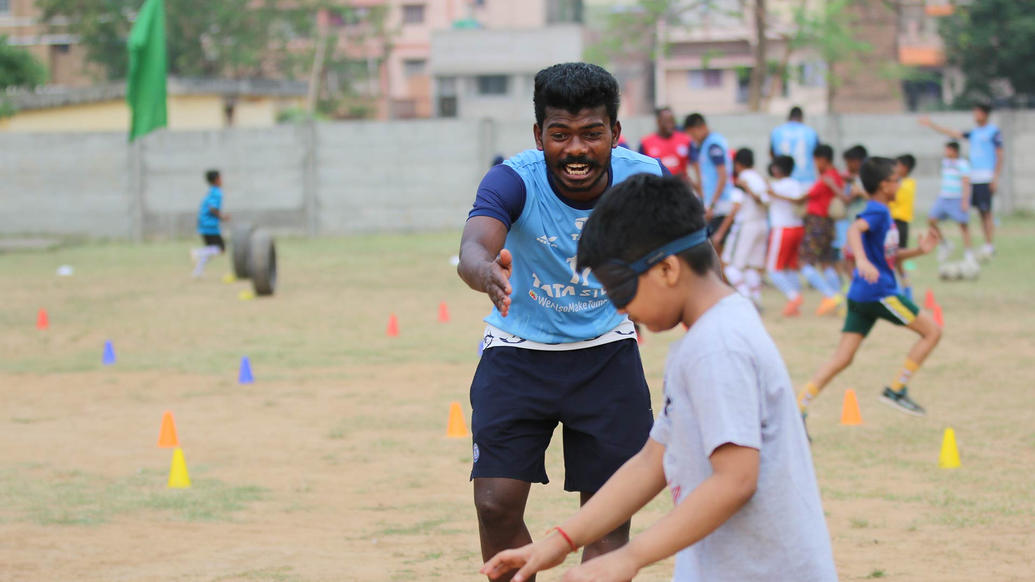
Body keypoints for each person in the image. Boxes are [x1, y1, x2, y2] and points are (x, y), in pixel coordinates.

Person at [480, 174, 838, 582]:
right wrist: (558, 541)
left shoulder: (718, 345)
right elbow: (652, 461)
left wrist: (628, 557)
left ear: (667, 269)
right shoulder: (706, 336)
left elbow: (736, 480)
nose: (618, 307)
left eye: (619, 287)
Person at [457, 62, 667, 581]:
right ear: (538, 136)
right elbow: (472, 248)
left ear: (615, 134)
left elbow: (693, 253)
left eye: (592, 134)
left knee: (607, 521)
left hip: (607, 353)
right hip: (516, 352)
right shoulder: (512, 180)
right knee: (495, 505)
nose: (576, 150)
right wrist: (487, 272)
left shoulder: (644, 180)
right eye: (561, 135)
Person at [798, 157, 942, 421]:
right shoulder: (878, 211)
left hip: (860, 294)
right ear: (884, 185)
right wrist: (862, 260)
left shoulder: (882, 212)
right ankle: (896, 390)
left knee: (842, 358)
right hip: (879, 293)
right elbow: (854, 229)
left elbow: (888, 254)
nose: (900, 184)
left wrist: (920, 251)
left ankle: (800, 404)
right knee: (932, 332)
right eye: (896, 180)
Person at [919, 103, 1003, 259]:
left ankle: (988, 246)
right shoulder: (974, 133)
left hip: (986, 177)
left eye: (977, 112)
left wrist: (995, 177)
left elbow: (1000, 155)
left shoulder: (993, 132)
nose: (975, 115)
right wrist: (931, 125)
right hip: (974, 177)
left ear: (985, 114)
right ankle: (973, 247)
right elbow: (953, 133)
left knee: (986, 212)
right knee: (973, 214)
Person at [712, 148, 769, 307]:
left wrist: (721, 232)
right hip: (762, 224)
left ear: (737, 164)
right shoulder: (759, 177)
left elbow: (735, 207)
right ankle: (757, 299)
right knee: (751, 266)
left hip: (746, 225)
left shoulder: (742, 179)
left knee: (730, 265)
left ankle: (747, 300)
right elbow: (766, 199)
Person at [799, 144, 844, 316]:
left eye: (816, 161)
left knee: (804, 262)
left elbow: (806, 196)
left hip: (816, 224)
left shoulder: (825, 178)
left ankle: (831, 295)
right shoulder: (836, 176)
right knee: (826, 263)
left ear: (822, 160)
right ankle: (838, 299)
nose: (815, 165)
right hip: (829, 224)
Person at [765, 155, 807, 316]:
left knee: (773, 269)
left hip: (782, 229)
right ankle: (795, 302)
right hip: (798, 228)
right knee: (790, 267)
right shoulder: (796, 184)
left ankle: (793, 296)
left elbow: (764, 197)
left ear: (776, 169)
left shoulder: (777, 187)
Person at [684, 113, 732, 238]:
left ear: (699, 128)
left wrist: (712, 205)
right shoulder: (705, 144)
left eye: (692, 134)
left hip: (720, 207)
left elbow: (722, 175)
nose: (693, 138)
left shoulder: (713, 145)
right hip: (712, 205)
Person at [927, 142, 975, 264]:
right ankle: (944, 244)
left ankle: (969, 253)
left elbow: (966, 183)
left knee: (963, 226)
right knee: (931, 220)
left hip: (957, 198)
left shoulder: (963, 164)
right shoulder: (945, 162)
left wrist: (965, 201)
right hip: (944, 197)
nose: (945, 152)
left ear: (954, 151)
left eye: (947, 150)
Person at [834, 145, 869, 286]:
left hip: (863, 225)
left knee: (855, 259)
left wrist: (858, 192)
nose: (848, 166)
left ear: (857, 161)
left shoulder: (868, 179)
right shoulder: (851, 179)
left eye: (849, 162)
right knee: (848, 259)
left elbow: (873, 198)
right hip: (851, 224)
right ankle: (855, 288)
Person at [190, 169, 229, 278]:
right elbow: (212, 208)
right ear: (216, 180)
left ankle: (198, 271)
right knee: (221, 249)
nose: (222, 180)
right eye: (220, 178)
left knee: (209, 250)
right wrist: (223, 217)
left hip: (204, 224)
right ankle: (196, 252)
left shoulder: (211, 191)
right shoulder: (217, 192)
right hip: (210, 226)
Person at [639, 106, 693, 182]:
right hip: (657, 188)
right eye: (666, 121)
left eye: (672, 121)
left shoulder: (686, 140)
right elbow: (640, 168)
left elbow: (696, 164)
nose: (670, 124)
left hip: (679, 188)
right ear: (658, 121)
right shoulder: (645, 142)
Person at [770, 105, 819, 187]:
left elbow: (772, 153)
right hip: (806, 180)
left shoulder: (777, 131)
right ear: (801, 118)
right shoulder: (811, 132)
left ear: (788, 117)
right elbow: (818, 155)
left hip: (783, 180)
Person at [889, 154, 917, 299]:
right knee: (896, 260)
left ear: (905, 168)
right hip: (896, 223)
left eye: (897, 165)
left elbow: (893, 197)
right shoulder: (901, 183)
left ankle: (904, 291)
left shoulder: (907, 184)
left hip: (899, 223)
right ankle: (905, 289)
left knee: (895, 257)